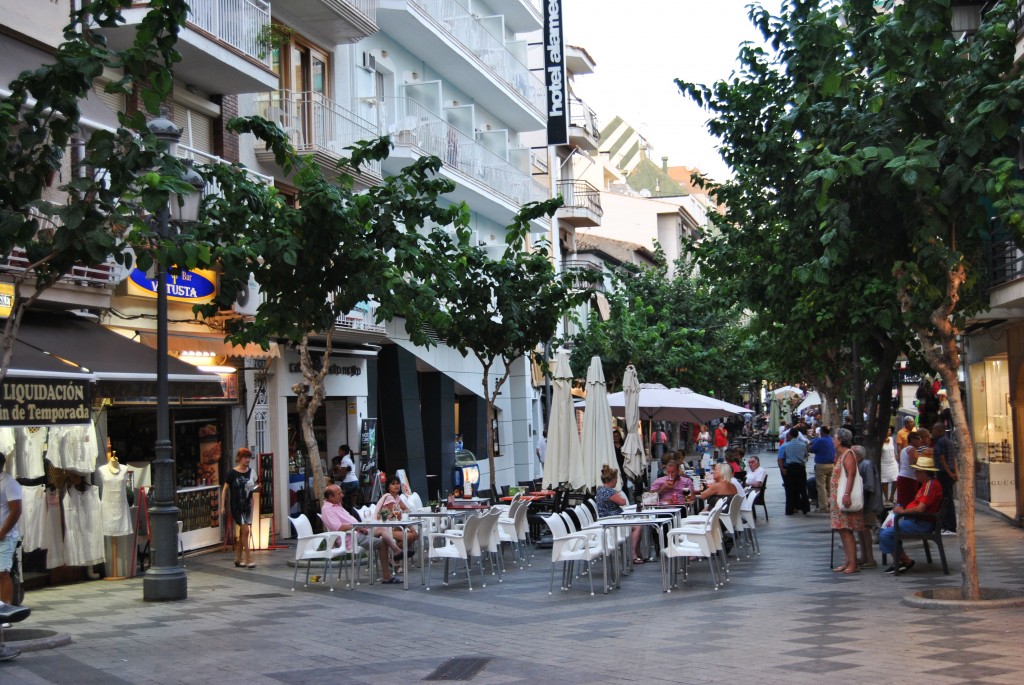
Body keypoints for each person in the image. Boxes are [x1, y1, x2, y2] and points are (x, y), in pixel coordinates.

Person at [879, 455, 943, 573]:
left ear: (923, 472)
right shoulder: (926, 484)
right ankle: (899, 560)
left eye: (917, 471)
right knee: (884, 530)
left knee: (886, 534)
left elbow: (920, 509)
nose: (915, 473)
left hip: (921, 523)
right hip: (916, 520)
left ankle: (905, 561)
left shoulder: (930, 486)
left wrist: (902, 512)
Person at [320, 484, 393, 580]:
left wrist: (360, 527)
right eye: (339, 493)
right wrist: (358, 527)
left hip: (357, 533)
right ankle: (388, 575)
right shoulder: (327, 509)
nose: (342, 495)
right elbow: (339, 527)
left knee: (382, 529)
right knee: (383, 543)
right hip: (351, 538)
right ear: (330, 497)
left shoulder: (337, 505)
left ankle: (396, 552)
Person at [830, 428, 864, 574]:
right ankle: (847, 561)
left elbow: (851, 474)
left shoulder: (848, 454)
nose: (833, 440)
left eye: (835, 438)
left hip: (843, 498)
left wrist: (847, 494)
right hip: (837, 499)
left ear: (841, 440)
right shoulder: (842, 454)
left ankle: (853, 563)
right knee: (842, 530)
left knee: (846, 530)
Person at [595, 464, 644, 564]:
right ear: (612, 480)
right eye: (616, 479)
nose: (617, 481)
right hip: (612, 522)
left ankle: (637, 553)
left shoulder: (601, 490)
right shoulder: (608, 492)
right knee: (638, 526)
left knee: (638, 523)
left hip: (611, 519)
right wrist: (618, 494)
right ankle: (633, 554)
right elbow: (623, 502)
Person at [221, 448, 260, 568]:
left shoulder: (252, 472)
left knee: (243, 532)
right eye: (245, 457)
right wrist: (223, 505)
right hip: (237, 506)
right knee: (246, 530)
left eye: (248, 457)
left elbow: (256, 486)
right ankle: (248, 558)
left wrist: (257, 487)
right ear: (239, 458)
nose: (247, 460)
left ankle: (238, 558)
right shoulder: (232, 473)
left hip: (247, 506)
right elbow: (225, 489)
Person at [374, 476, 418, 582]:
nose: (396, 485)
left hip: (392, 526)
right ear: (388, 487)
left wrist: (405, 512)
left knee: (411, 536)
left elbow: (405, 510)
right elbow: (399, 515)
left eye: (397, 483)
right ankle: (394, 558)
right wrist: (412, 528)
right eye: (393, 483)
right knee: (409, 536)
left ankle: (393, 559)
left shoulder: (396, 497)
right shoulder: (388, 497)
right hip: (383, 528)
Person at [0, 451, 23, 604]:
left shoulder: (9, 483)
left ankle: (5, 610)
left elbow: (16, 510)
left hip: (5, 536)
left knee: (2, 573)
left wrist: (2, 532)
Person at [853, 445, 881, 569]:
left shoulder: (866, 465)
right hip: (862, 502)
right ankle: (864, 556)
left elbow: (869, 486)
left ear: (858, 456)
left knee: (865, 529)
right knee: (861, 529)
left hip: (868, 503)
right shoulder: (861, 465)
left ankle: (870, 558)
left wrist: (854, 488)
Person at [931, 422, 958, 535]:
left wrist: (949, 473)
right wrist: (955, 473)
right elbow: (953, 459)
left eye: (934, 429)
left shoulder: (941, 441)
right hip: (949, 473)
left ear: (940, 431)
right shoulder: (949, 441)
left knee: (946, 499)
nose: (932, 431)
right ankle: (948, 525)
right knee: (948, 498)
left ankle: (950, 526)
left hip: (944, 473)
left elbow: (942, 459)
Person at [778, 427, 810, 515]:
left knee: (789, 489)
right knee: (803, 489)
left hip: (790, 468)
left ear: (791, 435)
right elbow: (806, 456)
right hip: (800, 467)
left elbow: (781, 458)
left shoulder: (786, 445)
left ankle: (789, 510)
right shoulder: (803, 445)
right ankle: (805, 508)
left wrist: (783, 469)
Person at [809, 425, 835, 513]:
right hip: (831, 464)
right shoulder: (832, 440)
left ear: (822, 432)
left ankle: (823, 506)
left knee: (821, 486)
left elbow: (812, 450)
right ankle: (833, 504)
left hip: (821, 465)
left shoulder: (820, 440)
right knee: (830, 486)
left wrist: (813, 441)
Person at [895, 430, 924, 507]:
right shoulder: (912, 449)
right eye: (918, 439)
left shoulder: (904, 449)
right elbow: (914, 463)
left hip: (903, 476)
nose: (920, 441)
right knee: (909, 501)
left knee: (903, 501)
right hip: (909, 478)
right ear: (912, 439)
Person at [880, 427, 899, 505]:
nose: (889, 431)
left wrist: (896, 459)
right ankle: (886, 498)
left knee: (896, 480)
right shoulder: (880, 441)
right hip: (884, 463)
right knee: (885, 482)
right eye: (888, 430)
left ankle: (892, 496)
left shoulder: (891, 439)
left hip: (892, 462)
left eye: (890, 430)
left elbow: (894, 450)